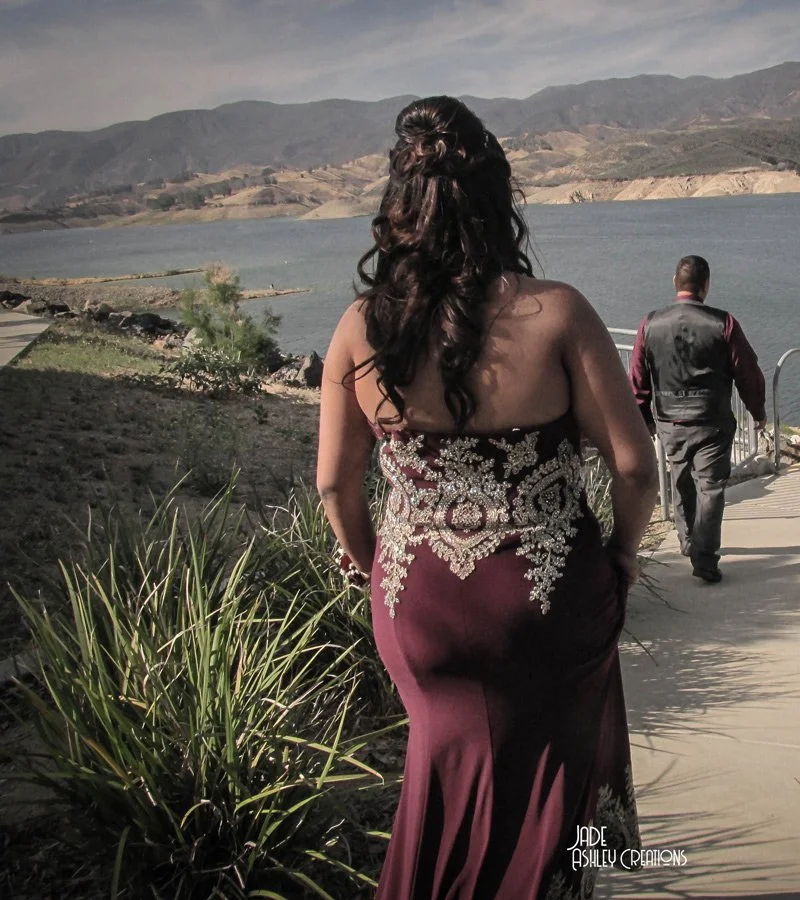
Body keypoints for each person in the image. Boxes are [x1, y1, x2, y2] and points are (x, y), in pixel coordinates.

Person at [316, 96, 658, 899]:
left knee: (437, 774)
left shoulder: (360, 328)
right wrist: (622, 556)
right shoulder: (559, 313)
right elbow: (635, 467)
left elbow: (335, 482)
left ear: (400, 204)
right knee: (549, 788)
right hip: (547, 595)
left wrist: (375, 568)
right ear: (499, 198)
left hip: (418, 600)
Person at [629, 255, 766, 583]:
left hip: (669, 422)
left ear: (674, 282)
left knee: (680, 478)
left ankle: (687, 541)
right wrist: (757, 411)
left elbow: (637, 376)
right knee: (711, 486)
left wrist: (642, 416)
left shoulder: (650, 324)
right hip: (711, 421)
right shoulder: (724, 323)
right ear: (706, 285)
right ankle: (704, 559)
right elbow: (746, 370)